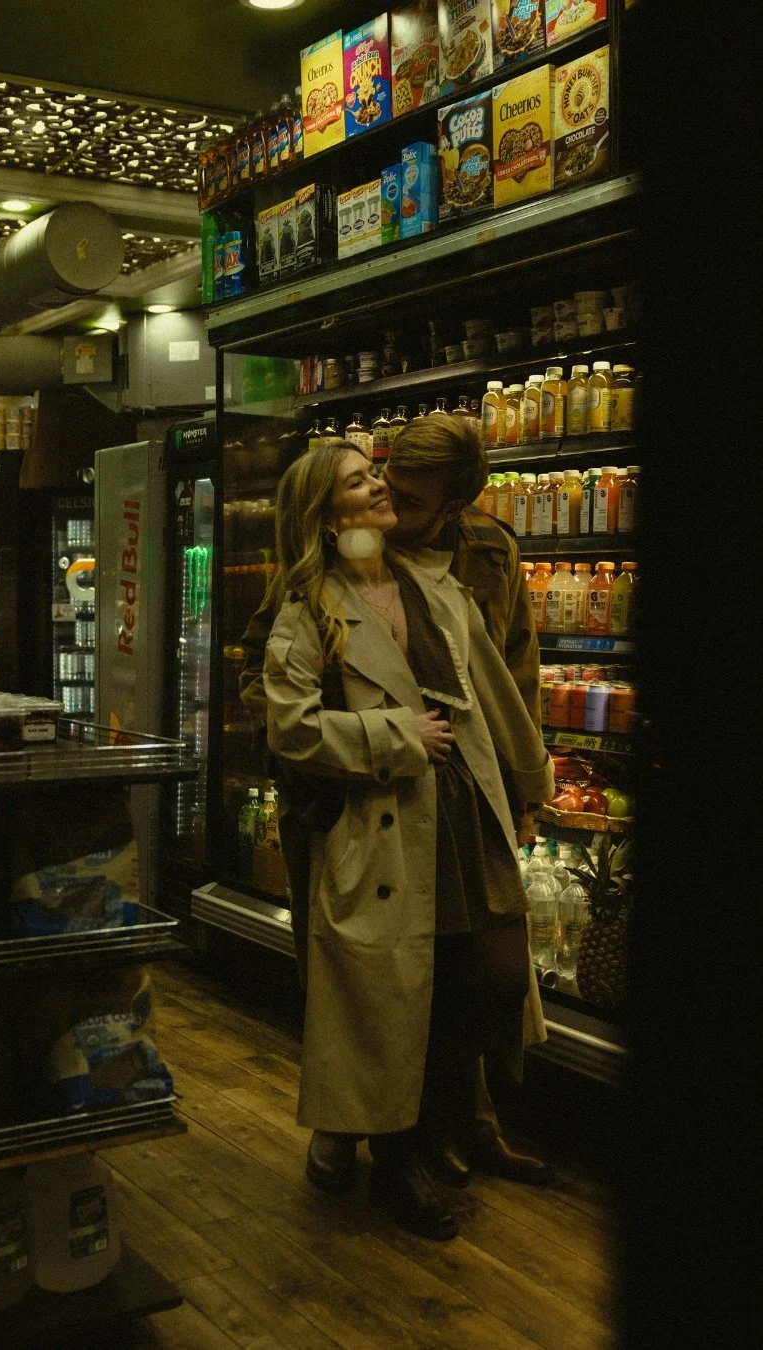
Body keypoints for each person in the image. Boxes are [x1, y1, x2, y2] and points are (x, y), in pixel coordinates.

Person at [250, 439, 553, 1238]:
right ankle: (398, 1165)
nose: (379, 486)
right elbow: (288, 726)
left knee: (486, 973)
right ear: (328, 514)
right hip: (381, 819)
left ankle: (440, 1134)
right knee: (393, 1001)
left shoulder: (431, 580)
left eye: (375, 473)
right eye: (360, 481)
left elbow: (492, 679)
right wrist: (394, 735)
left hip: (460, 810)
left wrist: (528, 783)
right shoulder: (307, 605)